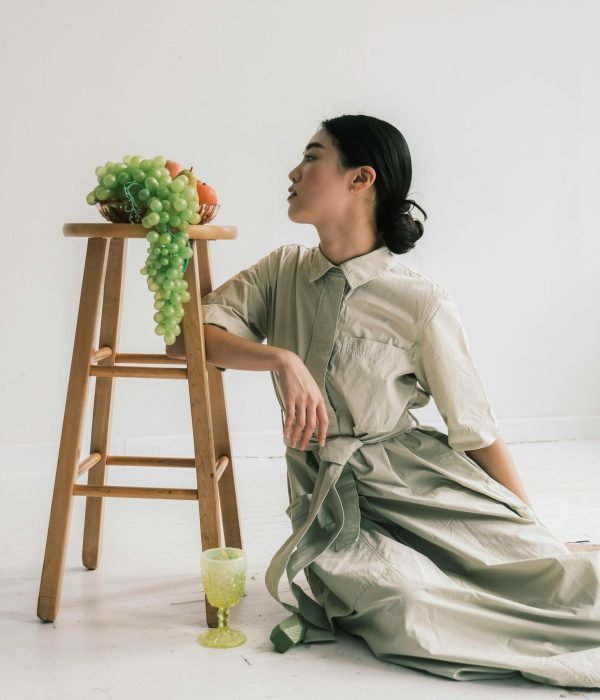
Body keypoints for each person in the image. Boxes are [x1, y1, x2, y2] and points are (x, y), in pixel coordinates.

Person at [197, 115, 600, 688]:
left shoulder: (420, 301)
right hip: (335, 502)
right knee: (410, 606)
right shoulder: (280, 270)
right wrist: (280, 360)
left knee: (563, 579)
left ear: (361, 178)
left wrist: (531, 528)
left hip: (419, 484)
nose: (293, 171)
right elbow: (194, 337)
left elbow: (475, 427)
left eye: (312, 157)